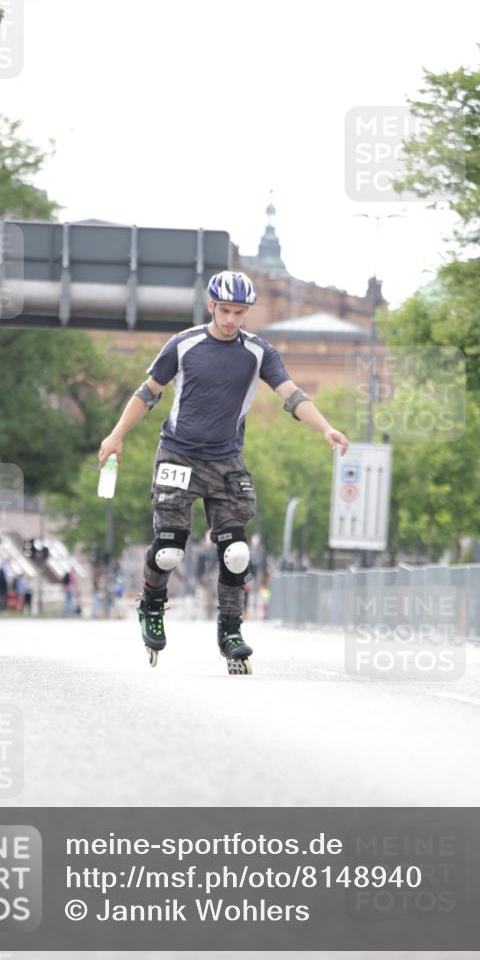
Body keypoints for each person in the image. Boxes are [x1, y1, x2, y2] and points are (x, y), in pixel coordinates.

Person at [98, 270, 349, 671]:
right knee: (168, 551)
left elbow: (291, 394)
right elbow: (148, 393)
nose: (232, 319)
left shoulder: (259, 352)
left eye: (240, 312)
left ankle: (231, 631)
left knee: (236, 554)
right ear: (211, 306)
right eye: (226, 310)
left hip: (226, 461)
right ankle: (152, 604)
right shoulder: (183, 345)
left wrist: (326, 428)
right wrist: (116, 436)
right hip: (178, 456)